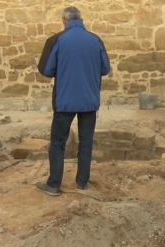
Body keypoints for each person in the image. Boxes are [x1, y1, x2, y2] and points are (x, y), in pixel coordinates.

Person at [35, 6, 110, 196]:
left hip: (64, 102)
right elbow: (105, 68)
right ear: (81, 19)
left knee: (58, 142)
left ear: (64, 21)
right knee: (86, 142)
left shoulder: (57, 39)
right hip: (89, 102)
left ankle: (53, 185)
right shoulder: (96, 40)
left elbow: (46, 70)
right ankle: (82, 183)